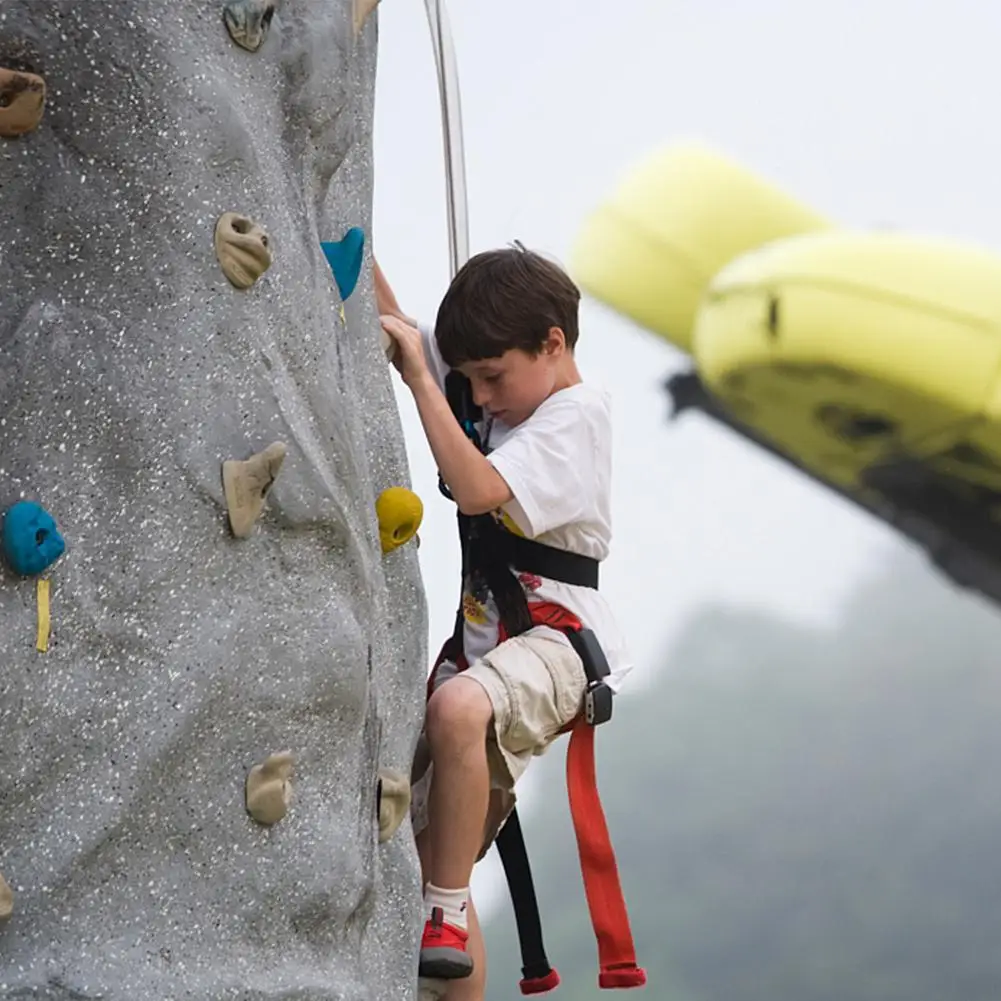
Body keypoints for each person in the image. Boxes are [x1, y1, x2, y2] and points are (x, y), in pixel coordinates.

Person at [374, 245, 634, 999]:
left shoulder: (576, 415)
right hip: (488, 647)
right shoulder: (499, 389)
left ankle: (447, 907)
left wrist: (424, 382)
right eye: (471, 378)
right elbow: (396, 330)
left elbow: (479, 489)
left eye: (493, 377)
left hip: (558, 642)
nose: (481, 397)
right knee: (419, 854)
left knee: (457, 710)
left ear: (552, 344)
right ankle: (443, 909)